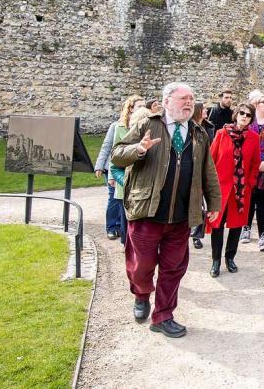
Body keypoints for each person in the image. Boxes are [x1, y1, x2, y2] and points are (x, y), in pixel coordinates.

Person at [111, 82, 221, 338]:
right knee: (141, 265)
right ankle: (141, 294)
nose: (189, 102)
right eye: (183, 98)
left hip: (181, 217)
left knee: (173, 269)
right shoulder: (147, 125)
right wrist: (139, 149)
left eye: (191, 98)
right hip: (147, 212)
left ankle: (163, 316)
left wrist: (214, 203)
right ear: (166, 102)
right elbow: (117, 155)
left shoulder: (198, 133)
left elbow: (208, 171)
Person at [206, 103, 260, 277]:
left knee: (236, 225)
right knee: (217, 224)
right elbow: (211, 160)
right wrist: (209, 186)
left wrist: (250, 183)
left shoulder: (254, 138)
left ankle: (230, 258)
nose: (244, 116)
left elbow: (255, 164)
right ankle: (216, 261)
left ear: (251, 119)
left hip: (242, 190)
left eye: (248, 115)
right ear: (236, 115)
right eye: (242, 113)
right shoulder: (221, 134)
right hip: (221, 188)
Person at [94, 95, 145, 240]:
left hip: (131, 168)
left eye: (144, 106)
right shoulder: (116, 126)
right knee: (114, 199)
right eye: (140, 106)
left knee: (126, 200)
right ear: (131, 109)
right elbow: (108, 147)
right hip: (114, 169)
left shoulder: (143, 126)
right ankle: (112, 227)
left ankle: (124, 231)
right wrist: (100, 167)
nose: (143, 109)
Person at [241, 90, 264, 251]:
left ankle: (263, 235)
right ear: (256, 105)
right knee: (248, 200)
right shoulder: (248, 120)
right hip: (248, 168)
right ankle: (246, 228)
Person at [190, 102, 216, 249]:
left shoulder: (209, 127)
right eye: (204, 108)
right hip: (192, 169)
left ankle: (196, 235)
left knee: (202, 204)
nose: (206, 110)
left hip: (205, 168)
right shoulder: (189, 128)